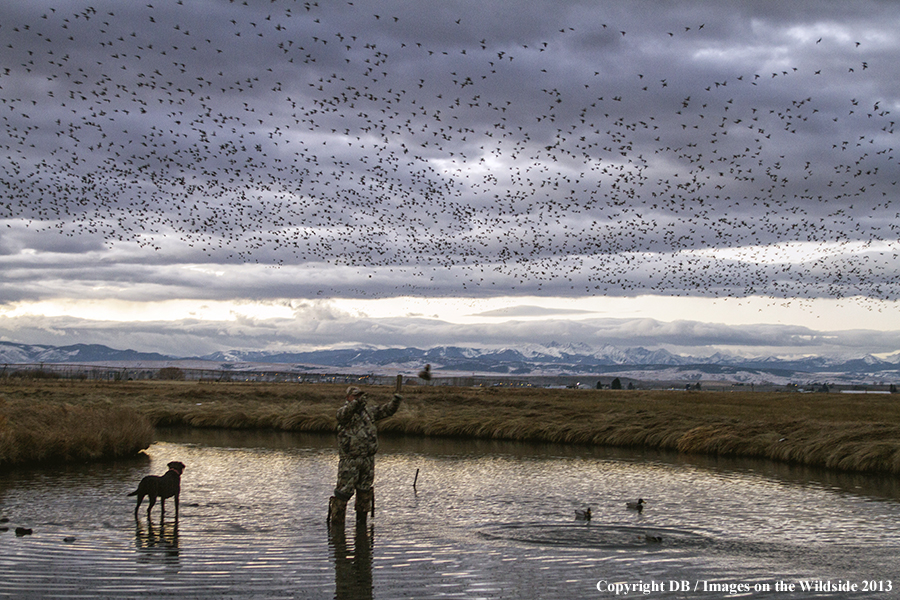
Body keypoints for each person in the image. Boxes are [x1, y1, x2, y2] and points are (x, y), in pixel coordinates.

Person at [328, 386, 402, 526]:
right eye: (355, 396)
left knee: (364, 492)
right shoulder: (344, 413)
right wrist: (357, 403)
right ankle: (336, 527)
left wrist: (396, 400)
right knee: (343, 493)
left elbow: (387, 410)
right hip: (350, 460)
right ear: (348, 398)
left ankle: (361, 526)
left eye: (360, 396)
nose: (358, 398)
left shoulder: (369, 412)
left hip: (368, 459)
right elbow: (345, 413)